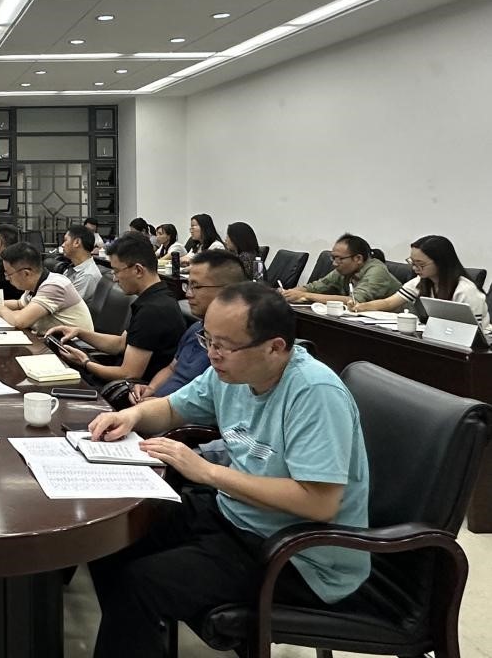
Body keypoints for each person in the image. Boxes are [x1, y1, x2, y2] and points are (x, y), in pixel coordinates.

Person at [86, 283, 370, 658]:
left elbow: (319, 503)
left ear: (275, 347)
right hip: (235, 517)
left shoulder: (314, 393)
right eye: (207, 340)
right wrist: (132, 415)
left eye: (224, 346)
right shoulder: (232, 373)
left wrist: (207, 472)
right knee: (110, 537)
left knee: (139, 584)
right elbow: (171, 409)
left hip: (297, 554)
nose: (212, 354)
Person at [47, 233, 184, 384]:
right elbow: (120, 344)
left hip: (128, 390)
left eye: (117, 271)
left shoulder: (153, 311)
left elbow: (128, 374)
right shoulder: (154, 298)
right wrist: (79, 332)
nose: (114, 278)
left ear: (138, 270)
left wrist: (85, 363)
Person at [130, 249, 250, 401]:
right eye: (188, 285)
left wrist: (160, 405)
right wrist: (151, 389)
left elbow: (206, 403)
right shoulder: (196, 328)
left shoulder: (233, 347)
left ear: (227, 291)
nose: (188, 294)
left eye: (196, 287)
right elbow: (172, 368)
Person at [349, 234, 489, 329]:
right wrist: (361, 306)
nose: (415, 268)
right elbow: (389, 303)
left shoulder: (466, 290)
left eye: (420, 264)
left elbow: (475, 331)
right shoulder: (421, 281)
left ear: (440, 262)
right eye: (412, 262)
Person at [0, 242, 93, 334]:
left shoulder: (54, 286)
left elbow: (20, 321)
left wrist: (1, 310)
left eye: (8, 274)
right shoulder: (36, 283)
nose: (7, 278)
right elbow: (19, 304)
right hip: (53, 342)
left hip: (74, 347)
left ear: (26, 273)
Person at [281, 233, 401, 304]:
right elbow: (315, 287)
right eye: (333, 258)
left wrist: (306, 296)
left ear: (358, 258)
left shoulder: (376, 270)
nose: (334, 263)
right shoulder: (344, 270)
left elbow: (355, 301)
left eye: (339, 259)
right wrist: (289, 293)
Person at [57, 224, 104, 305]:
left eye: (65, 240)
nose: (63, 245)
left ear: (77, 242)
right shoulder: (73, 268)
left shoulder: (88, 275)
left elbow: (63, 305)